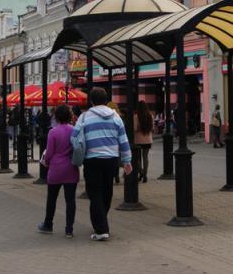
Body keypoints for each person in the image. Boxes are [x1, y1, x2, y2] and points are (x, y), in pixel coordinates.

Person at [71, 88, 132, 241]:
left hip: (92, 160)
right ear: (106, 100)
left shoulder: (84, 117)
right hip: (111, 160)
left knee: (94, 193)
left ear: (91, 101)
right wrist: (127, 161)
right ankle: (101, 220)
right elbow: (123, 140)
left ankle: (101, 229)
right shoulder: (116, 117)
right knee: (107, 191)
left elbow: (73, 138)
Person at [37, 104, 79, 237]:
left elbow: (49, 153)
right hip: (71, 168)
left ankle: (48, 224)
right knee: (70, 200)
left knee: (52, 198)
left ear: (56, 117)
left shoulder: (53, 132)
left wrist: (46, 163)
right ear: (70, 116)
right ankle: (69, 229)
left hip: (55, 169)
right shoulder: (74, 130)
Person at [133, 100, 154, 183]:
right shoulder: (150, 116)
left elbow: (134, 129)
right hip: (148, 139)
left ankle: (141, 172)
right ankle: (145, 175)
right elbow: (152, 129)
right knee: (145, 157)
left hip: (138, 140)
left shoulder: (136, 116)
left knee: (136, 158)